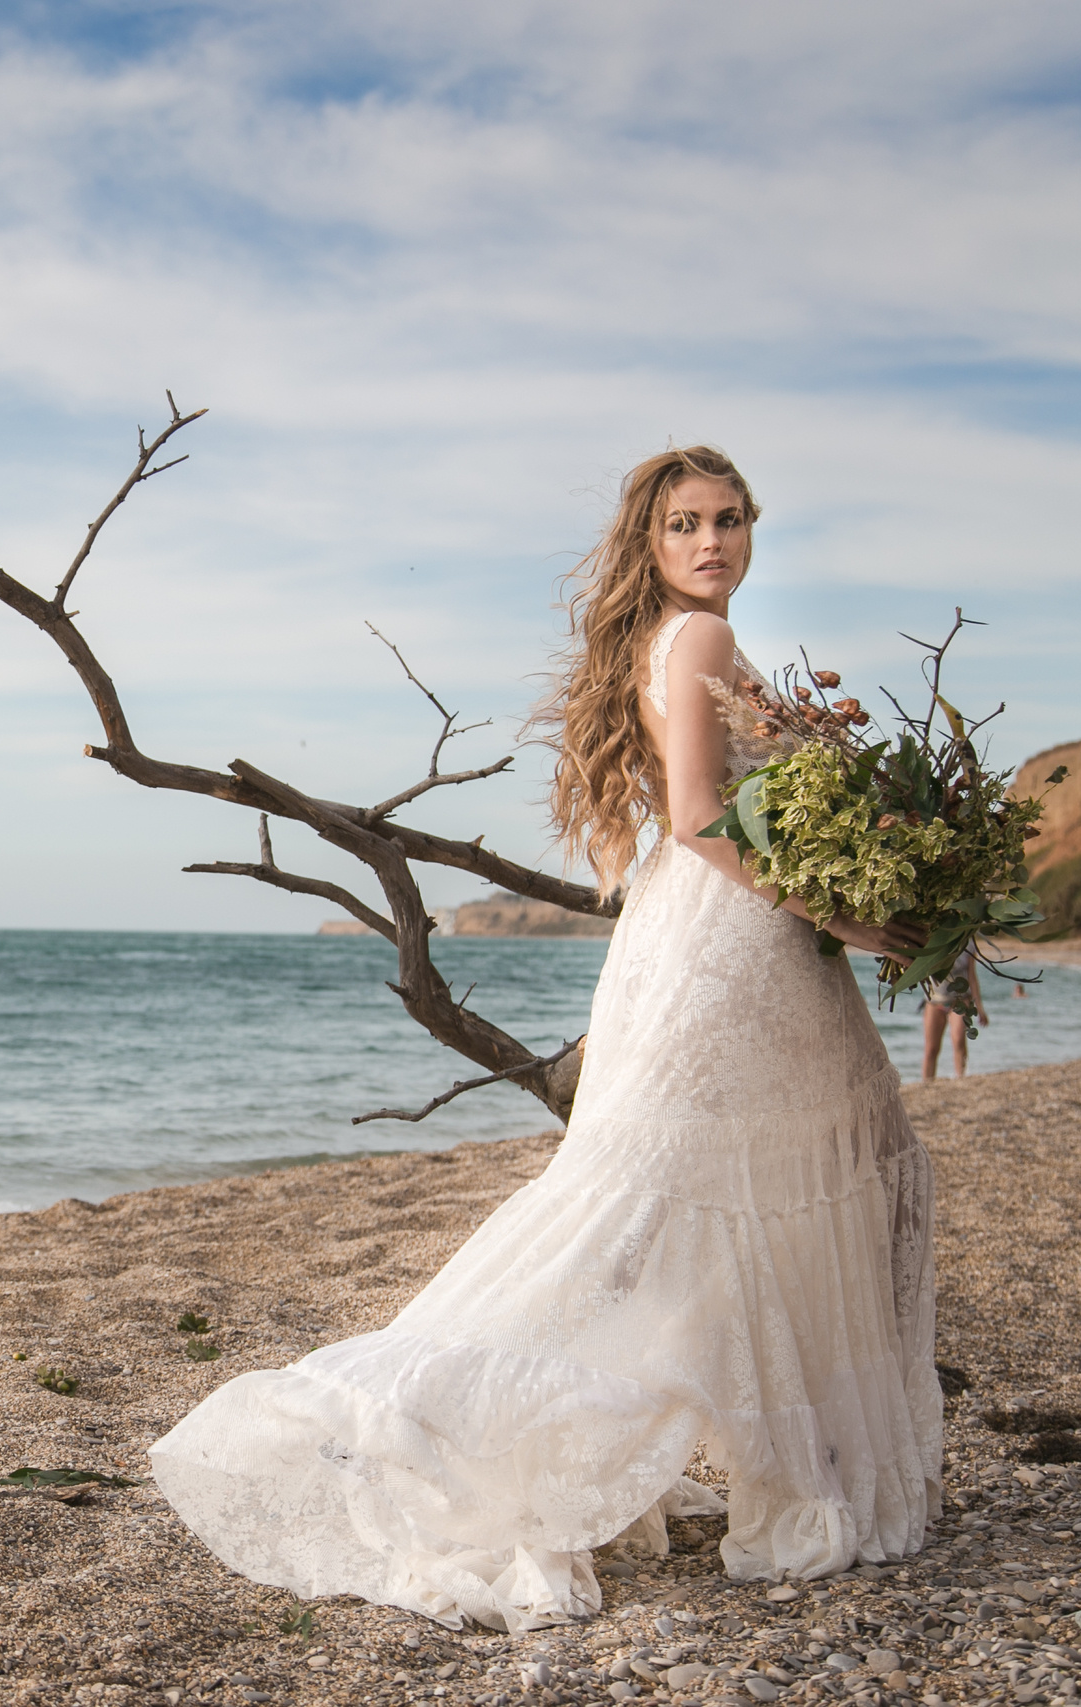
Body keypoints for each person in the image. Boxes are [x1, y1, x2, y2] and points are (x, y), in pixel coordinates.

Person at [151, 447, 937, 1631]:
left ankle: (773, 1462)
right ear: (653, 543)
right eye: (685, 525)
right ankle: (724, 1465)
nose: (711, 543)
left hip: (701, 951)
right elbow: (701, 820)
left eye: (728, 521)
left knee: (684, 1205)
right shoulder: (699, 642)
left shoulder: (664, 642)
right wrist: (846, 913)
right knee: (711, 1203)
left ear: (752, 531)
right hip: (735, 954)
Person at [920, 958, 987, 1080]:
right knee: (931, 1048)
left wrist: (980, 1008)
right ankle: (926, 1084)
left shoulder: (968, 943)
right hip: (934, 1001)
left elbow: (972, 976)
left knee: (958, 1040)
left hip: (960, 1000)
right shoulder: (929, 939)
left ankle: (960, 1078)